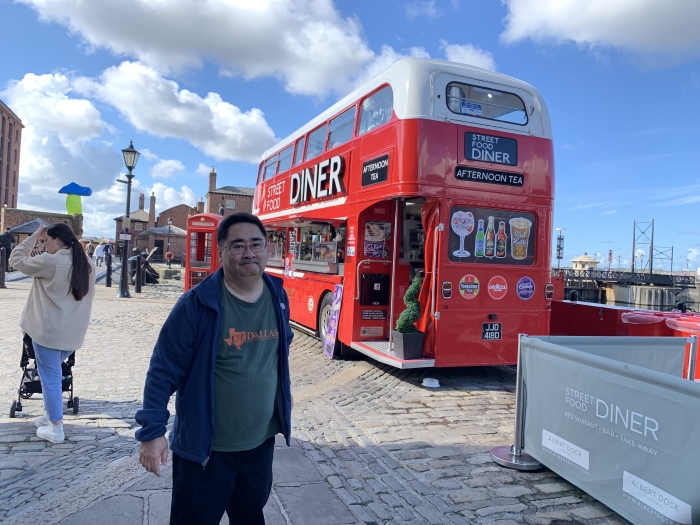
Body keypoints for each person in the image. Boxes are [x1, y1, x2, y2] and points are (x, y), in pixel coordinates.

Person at [136, 212, 293, 525]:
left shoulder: (277, 295)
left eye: (256, 244)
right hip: (206, 450)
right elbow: (163, 370)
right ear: (221, 252)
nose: (249, 253)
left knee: (250, 518)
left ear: (267, 250)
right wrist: (152, 433)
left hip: (260, 443)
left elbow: (278, 350)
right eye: (238, 246)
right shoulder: (196, 303)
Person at [9, 223, 96, 444]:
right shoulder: (87, 263)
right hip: (72, 334)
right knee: (53, 373)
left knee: (50, 379)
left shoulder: (50, 261)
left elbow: (15, 259)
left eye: (46, 240)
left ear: (57, 239)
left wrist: (32, 237)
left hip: (48, 332)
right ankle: (50, 415)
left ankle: (56, 427)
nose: (44, 245)